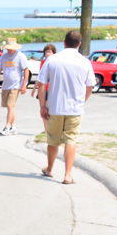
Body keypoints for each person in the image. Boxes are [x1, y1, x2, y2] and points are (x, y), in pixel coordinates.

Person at [37, 29, 94, 185]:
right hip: (75, 108)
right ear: (79, 44)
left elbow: (41, 84)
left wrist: (43, 105)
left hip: (54, 107)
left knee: (53, 140)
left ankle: (49, 168)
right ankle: (68, 175)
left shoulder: (52, 60)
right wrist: (82, 100)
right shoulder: (85, 62)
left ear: (64, 42)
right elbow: (90, 86)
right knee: (71, 140)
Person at [0, 39, 29, 135]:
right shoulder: (4, 57)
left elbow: (26, 70)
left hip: (16, 85)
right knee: (9, 107)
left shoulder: (21, 56)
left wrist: (24, 84)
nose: (10, 50)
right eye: (8, 48)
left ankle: (7, 127)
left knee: (10, 105)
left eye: (11, 49)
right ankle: (13, 127)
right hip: (5, 85)